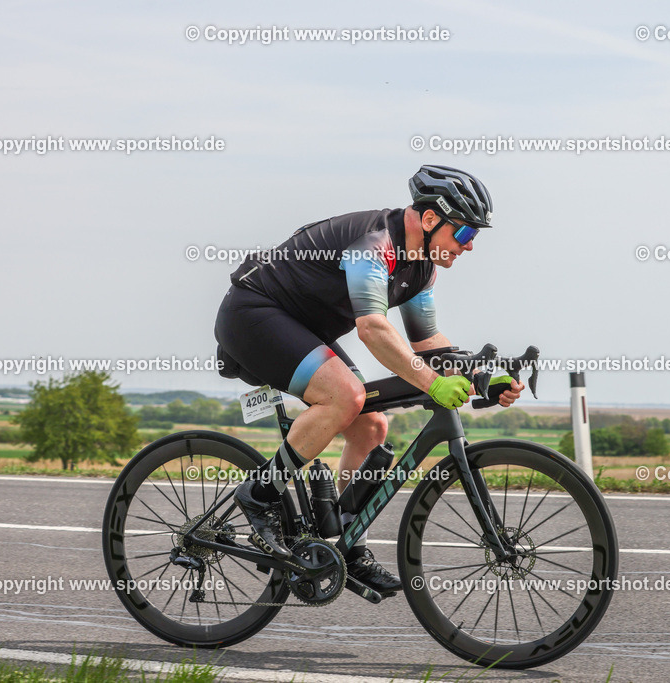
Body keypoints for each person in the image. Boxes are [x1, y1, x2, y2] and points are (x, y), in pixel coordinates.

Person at [214, 165, 524, 596]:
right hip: (253, 314)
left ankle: (349, 547)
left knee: (372, 426)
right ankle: (260, 494)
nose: (469, 245)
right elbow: (373, 329)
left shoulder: (421, 269)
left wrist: (480, 374)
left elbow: (428, 344)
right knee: (346, 396)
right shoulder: (375, 245)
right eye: (466, 233)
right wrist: (434, 383)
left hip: (302, 328)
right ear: (430, 219)